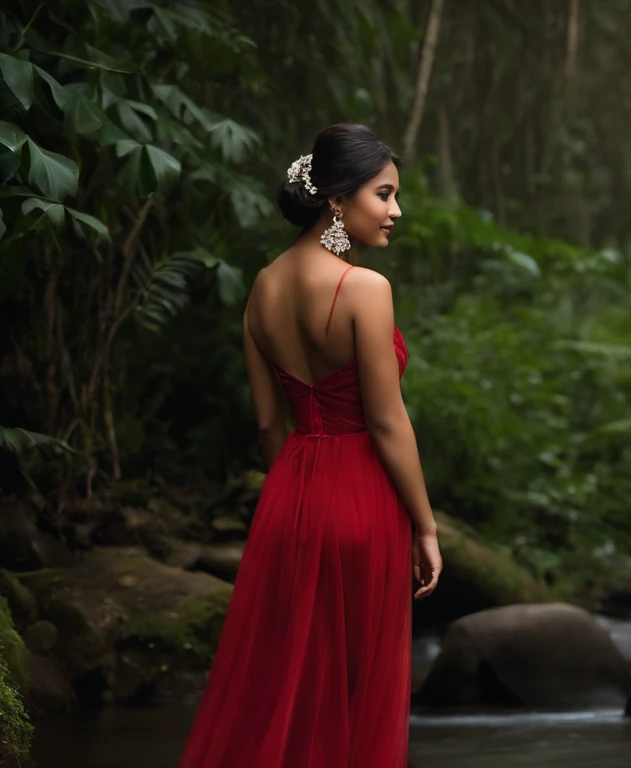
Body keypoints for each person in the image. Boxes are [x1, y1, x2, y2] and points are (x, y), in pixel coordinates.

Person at [178, 123, 441, 768]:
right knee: (353, 688)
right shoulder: (364, 290)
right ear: (336, 198)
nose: (396, 211)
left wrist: (297, 505)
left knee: (286, 684)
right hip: (362, 500)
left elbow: (268, 425)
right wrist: (427, 528)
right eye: (384, 194)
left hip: (289, 498)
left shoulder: (261, 289)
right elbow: (386, 422)